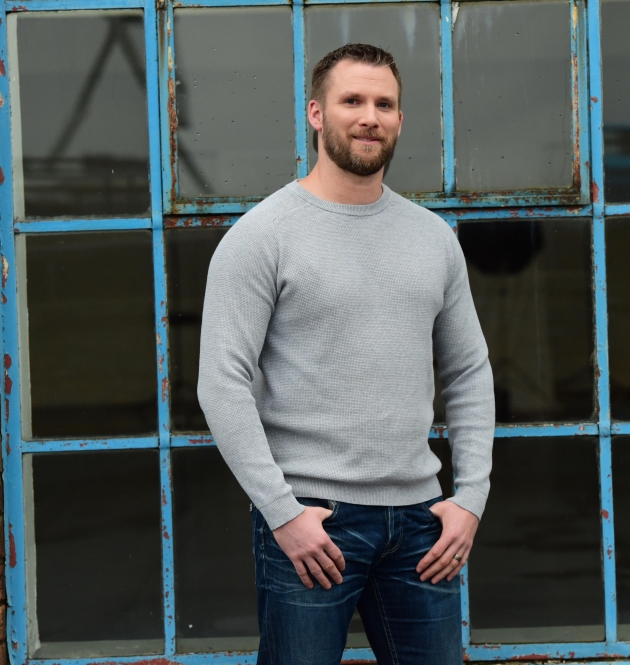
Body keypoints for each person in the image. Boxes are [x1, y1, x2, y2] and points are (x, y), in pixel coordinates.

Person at [197, 43, 494, 665]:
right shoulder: (262, 236)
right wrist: (282, 514)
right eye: (352, 100)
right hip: (313, 520)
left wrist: (470, 498)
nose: (369, 117)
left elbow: (468, 371)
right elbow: (221, 384)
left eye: (384, 104)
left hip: (422, 524)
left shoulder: (433, 238)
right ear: (315, 112)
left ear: (400, 120)